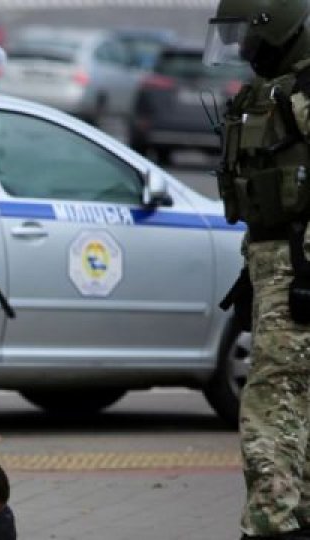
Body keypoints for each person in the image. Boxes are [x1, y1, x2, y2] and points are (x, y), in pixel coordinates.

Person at [205, 1, 310, 538]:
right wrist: (252, 275)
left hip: (298, 274)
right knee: (290, 404)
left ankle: (273, 526)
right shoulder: (275, 93)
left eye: (249, 33)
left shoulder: (305, 93)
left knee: (271, 406)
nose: (242, 47)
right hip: (275, 267)